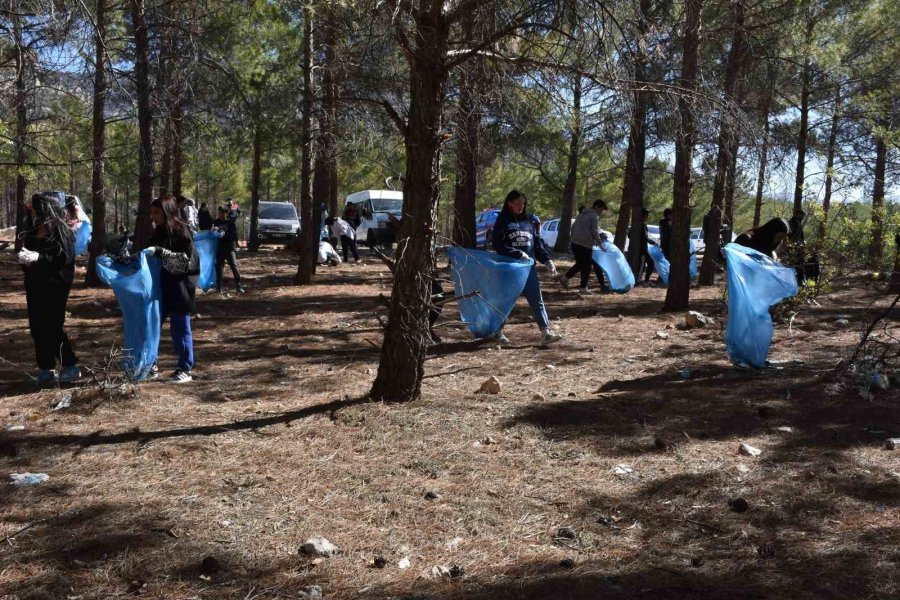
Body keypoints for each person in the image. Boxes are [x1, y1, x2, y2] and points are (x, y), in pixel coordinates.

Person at [18, 191, 80, 385]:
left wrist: (39, 258)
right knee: (37, 326)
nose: (35, 213)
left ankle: (69, 365)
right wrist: (25, 260)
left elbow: (64, 260)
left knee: (52, 325)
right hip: (35, 284)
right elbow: (25, 254)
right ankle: (46, 368)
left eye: (38, 209)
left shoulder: (63, 232)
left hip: (55, 285)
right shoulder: (34, 230)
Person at [491, 189, 563, 346]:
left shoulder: (528, 221)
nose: (521, 206)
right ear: (509, 203)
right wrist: (516, 253)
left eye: (523, 203)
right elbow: (498, 244)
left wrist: (547, 261)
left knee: (537, 299)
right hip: (509, 269)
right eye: (518, 203)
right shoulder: (503, 221)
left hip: (528, 269)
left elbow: (537, 245)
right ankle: (497, 331)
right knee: (506, 300)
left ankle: (545, 332)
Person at [147, 195, 199, 383]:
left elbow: (186, 263)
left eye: (156, 213)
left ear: (167, 211)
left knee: (180, 328)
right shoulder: (158, 231)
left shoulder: (182, 231)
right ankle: (150, 364)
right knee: (152, 326)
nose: (153, 217)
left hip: (180, 287)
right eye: (152, 212)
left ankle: (185, 368)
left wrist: (161, 253)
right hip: (161, 287)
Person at [560, 199, 609, 294]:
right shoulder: (594, 215)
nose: (601, 212)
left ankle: (567, 279)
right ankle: (581, 287)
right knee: (586, 265)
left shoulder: (582, 214)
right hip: (584, 244)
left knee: (581, 264)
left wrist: (573, 239)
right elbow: (594, 231)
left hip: (575, 243)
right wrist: (600, 244)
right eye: (601, 209)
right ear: (597, 207)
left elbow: (574, 227)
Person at [213, 206, 245, 294]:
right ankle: (218, 287)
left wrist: (224, 235)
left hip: (229, 248)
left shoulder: (231, 223)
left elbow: (234, 235)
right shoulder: (216, 222)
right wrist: (213, 232)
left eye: (222, 213)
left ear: (226, 214)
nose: (220, 215)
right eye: (219, 213)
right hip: (219, 248)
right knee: (219, 267)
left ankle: (238, 286)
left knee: (234, 266)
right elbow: (212, 233)